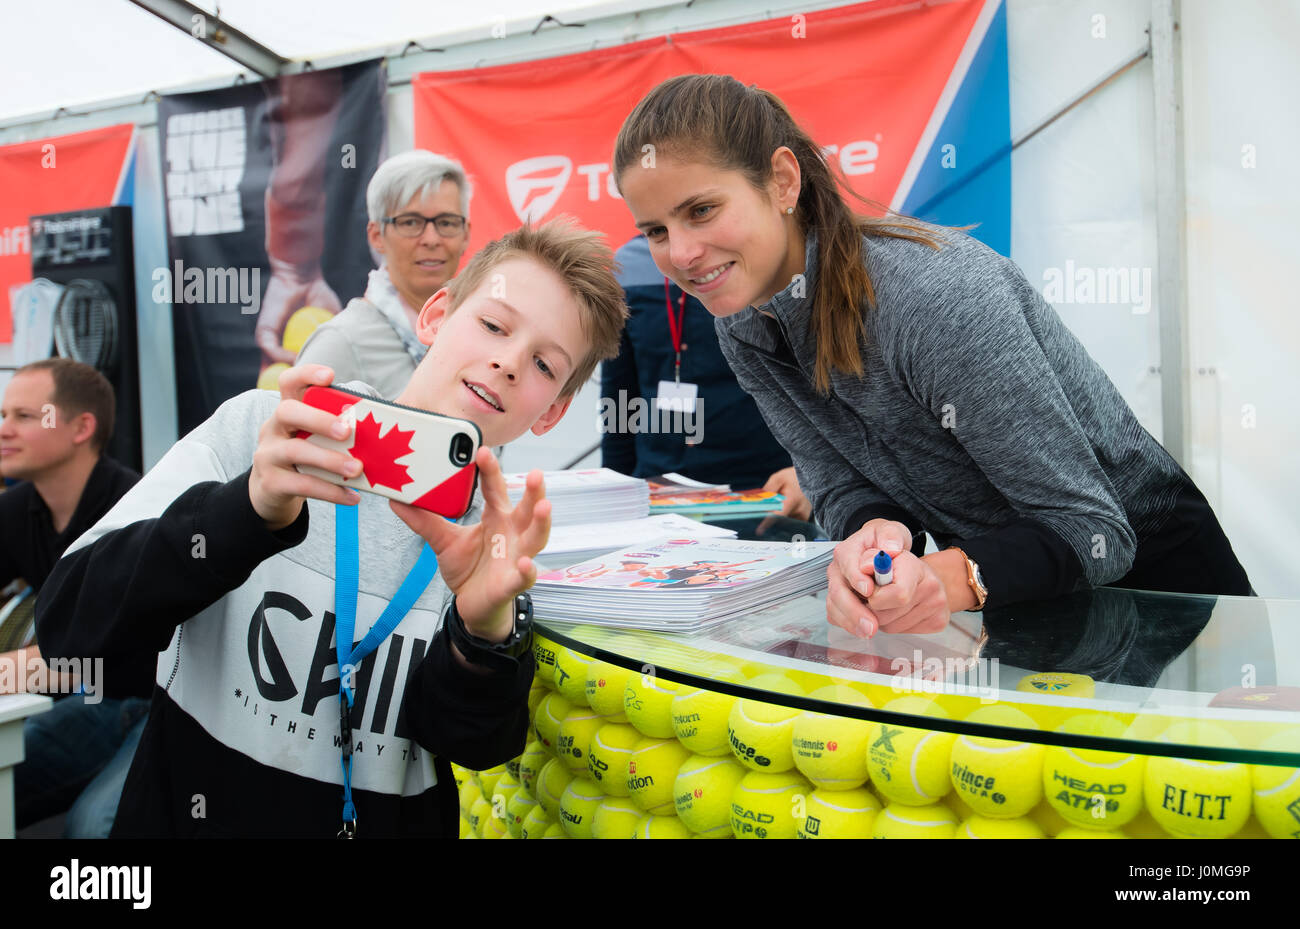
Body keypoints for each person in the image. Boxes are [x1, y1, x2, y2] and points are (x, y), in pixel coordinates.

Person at [35, 220, 627, 837]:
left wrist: (480, 634)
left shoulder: (498, 536)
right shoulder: (263, 434)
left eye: (542, 364)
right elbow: (71, 626)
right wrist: (246, 510)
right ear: (436, 316)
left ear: (553, 410)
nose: (507, 362)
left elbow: (473, 745)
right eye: (494, 325)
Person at [612, 74, 1252, 641]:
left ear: (782, 181)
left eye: (702, 210)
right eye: (657, 231)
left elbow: (1096, 531)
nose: (683, 254)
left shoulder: (933, 296)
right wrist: (873, 543)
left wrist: (946, 579)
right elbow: (838, 485)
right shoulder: (742, 324)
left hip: (1170, 596)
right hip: (1034, 606)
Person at [0, 358, 147, 837]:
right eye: (3, 415)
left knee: (94, 826)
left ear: (82, 426)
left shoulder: (137, 509)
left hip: (173, 707)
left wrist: (12, 668)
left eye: (24, 416)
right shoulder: (18, 509)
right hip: (98, 700)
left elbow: (98, 654)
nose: (4, 429)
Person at [602, 234, 810, 518]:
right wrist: (613, 489)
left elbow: (814, 385)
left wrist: (809, 473)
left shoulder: (759, 258)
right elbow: (620, 395)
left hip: (763, 493)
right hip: (656, 495)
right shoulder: (626, 266)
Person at [295, 151, 474, 399]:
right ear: (376, 236)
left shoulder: (478, 334)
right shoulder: (341, 344)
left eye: (446, 222)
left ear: (465, 234)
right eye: (410, 222)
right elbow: (289, 433)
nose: (432, 239)